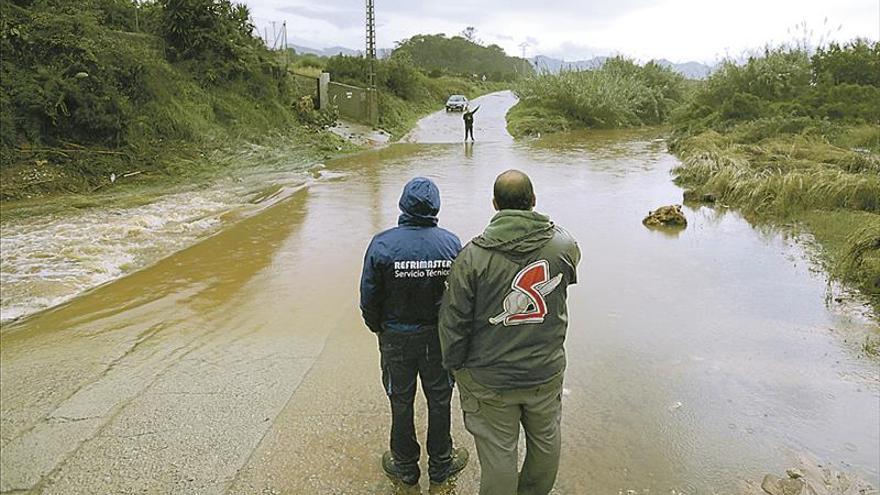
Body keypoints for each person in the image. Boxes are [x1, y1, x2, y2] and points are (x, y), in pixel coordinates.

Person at [438, 169, 581, 495]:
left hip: (489, 378)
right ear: (533, 201)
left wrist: (454, 365)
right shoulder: (563, 246)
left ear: (494, 204)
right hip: (544, 371)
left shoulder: (471, 257)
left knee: (499, 451)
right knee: (545, 440)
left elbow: (454, 322)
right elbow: (566, 276)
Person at [359, 177, 470, 486]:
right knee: (439, 400)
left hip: (396, 338)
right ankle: (441, 464)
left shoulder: (382, 243)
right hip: (438, 338)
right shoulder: (450, 243)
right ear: (436, 206)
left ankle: (405, 467)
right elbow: (460, 298)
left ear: (403, 205)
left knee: (401, 400)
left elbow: (369, 297)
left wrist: (378, 328)